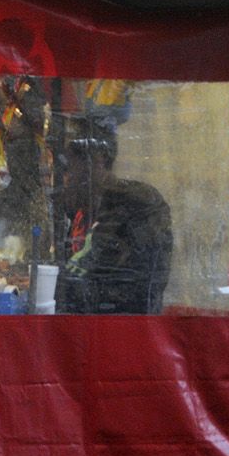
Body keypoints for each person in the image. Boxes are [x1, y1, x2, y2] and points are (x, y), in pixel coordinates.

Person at [53, 112, 173, 314]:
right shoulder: (85, 212)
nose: (67, 178)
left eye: (69, 167)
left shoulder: (133, 206)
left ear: (96, 161)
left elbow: (120, 292)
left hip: (117, 327)